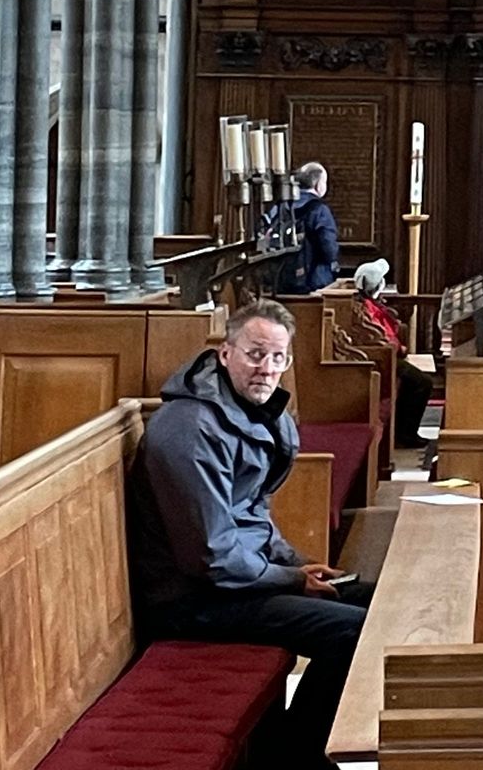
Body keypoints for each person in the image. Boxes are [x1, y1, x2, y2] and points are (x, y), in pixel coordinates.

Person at [128, 299, 374, 770]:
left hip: (235, 582)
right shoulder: (190, 430)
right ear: (226, 353)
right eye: (256, 354)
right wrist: (292, 579)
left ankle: (288, 747)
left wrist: (294, 563)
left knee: (376, 601)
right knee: (355, 630)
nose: (267, 368)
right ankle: (293, 758)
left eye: (278, 357)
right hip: (191, 600)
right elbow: (210, 557)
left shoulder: (256, 410)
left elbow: (252, 512)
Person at [352, 258, 434, 449]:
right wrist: (399, 348)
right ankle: (406, 434)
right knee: (422, 383)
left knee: (415, 381)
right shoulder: (367, 308)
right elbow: (382, 337)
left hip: (386, 355)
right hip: (380, 359)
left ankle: (404, 430)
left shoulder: (370, 304)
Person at [277, 161, 340, 294]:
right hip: (315, 281)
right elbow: (328, 248)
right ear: (318, 184)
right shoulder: (319, 210)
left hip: (282, 280)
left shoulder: (282, 206)